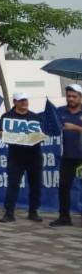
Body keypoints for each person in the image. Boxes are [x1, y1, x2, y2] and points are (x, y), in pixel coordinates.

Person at [0, 91, 43, 223]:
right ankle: (9, 213)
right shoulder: (7, 116)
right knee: (13, 184)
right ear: (15, 102)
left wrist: (39, 136)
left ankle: (33, 212)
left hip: (34, 156)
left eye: (25, 100)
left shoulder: (35, 117)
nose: (24, 102)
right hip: (16, 156)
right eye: (21, 100)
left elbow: (43, 133)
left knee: (36, 185)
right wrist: (12, 136)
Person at [51, 84, 82, 227]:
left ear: (80, 98)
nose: (71, 99)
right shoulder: (59, 111)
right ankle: (64, 217)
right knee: (63, 186)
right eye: (69, 96)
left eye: (74, 96)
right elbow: (50, 127)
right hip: (67, 156)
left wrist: (76, 128)